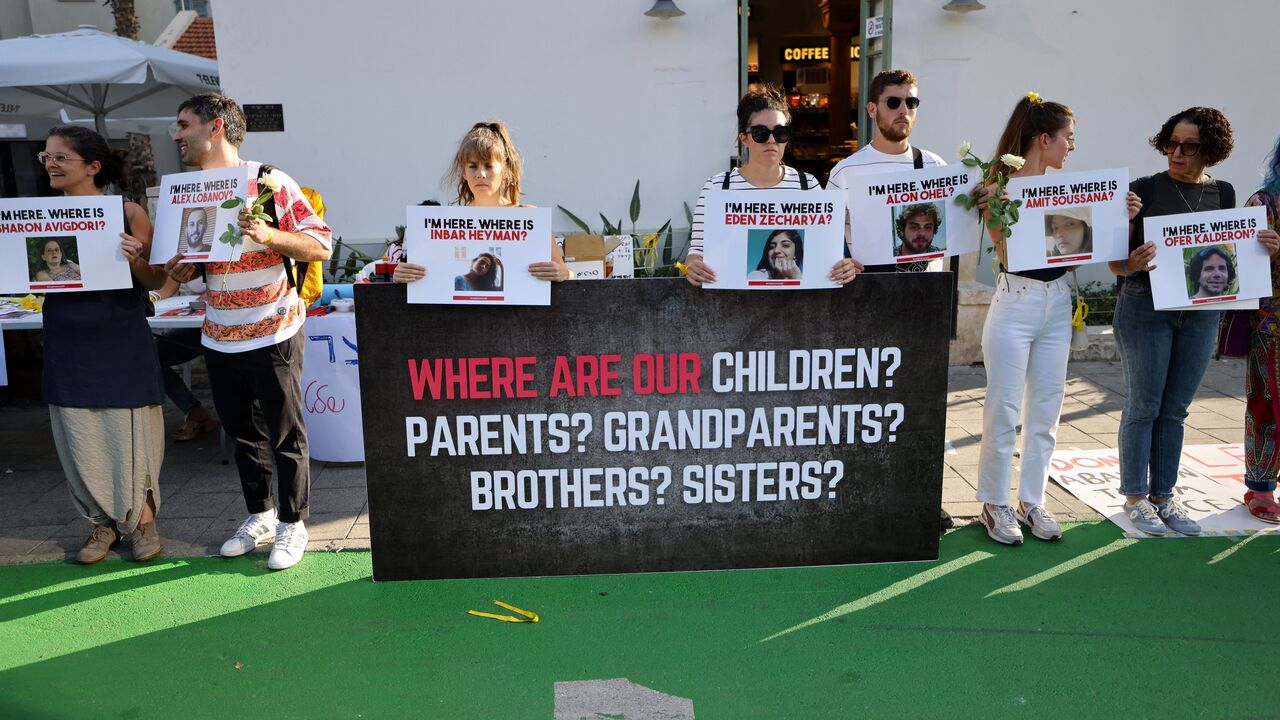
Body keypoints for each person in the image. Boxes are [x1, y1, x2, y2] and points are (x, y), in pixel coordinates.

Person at [165, 93, 332, 570]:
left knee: (284, 433)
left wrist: (270, 236)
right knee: (241, 433)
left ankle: (293, 524)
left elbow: (319, 245)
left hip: (274, 328)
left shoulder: (268, 181)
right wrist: (184, 270)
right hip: (219, 333)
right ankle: (260, 515)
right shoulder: (190, 191)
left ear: (214, 127)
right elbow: (204, 266)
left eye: (183, 124)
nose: (176, 134)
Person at [974, 93, 1128, 546]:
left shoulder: (1066, 193)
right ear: (1045, 139)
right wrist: (993, 208)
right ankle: (994, 502)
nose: (1072, 147)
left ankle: (1031, 499)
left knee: (1046, 406)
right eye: (1068, 138)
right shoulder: (997, 186)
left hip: (1057, 300)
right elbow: (1005, 253)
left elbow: (1073, 258)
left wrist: (1117, 217)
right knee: (1002, 406)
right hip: (1015, 299)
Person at [826, 69, 962, 530]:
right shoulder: (845, 172)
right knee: (868, 407)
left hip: (923, 304)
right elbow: (828, 239)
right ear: (872, 110)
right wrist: (846, 262)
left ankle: (924, 499)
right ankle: (862, 498)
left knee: (922, 409)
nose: (904, 110)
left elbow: (952, 235)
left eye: (912, 103)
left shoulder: (936, 167)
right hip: (868, 307)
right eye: (894, 102)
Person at [39, 125, 169, 564]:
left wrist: (137, 260)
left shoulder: (128, 212)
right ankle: (102, 521)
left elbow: (159, 281)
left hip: (119, 333)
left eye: (60, 157)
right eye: (46, 157)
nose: (50, 164)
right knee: (78, 430)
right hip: (66, 334)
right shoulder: (37, 217)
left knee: (130, 426)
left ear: (92, 167)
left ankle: (144, 518)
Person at [1107, 106, 1238, 536]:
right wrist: (1132, 260)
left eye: (1188, 146)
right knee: (1144, 404)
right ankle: (1135, 498)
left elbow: (1230, 260)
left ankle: (1164, 496)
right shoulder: (1142, 190)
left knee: (1176, 409)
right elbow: (1115, 267)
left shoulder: (1225, 194)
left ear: (1211, 151)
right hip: (1145, 305)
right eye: (1170, 144)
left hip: (1200, 313)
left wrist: (1264, 250)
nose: (1176, 153)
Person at [684, 85, 859, 287]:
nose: (771, 140)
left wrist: (842, 267)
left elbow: (823, 251)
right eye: (760, 133)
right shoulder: (717, 187)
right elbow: (697, 250)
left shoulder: (807, 186)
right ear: (744, 139)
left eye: (780, 132)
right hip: (733, 303)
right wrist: (694, 267)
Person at [393, 122, 571, 284]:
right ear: (463, 172)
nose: (480, 174)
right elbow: (423, 272)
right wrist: (401, 274)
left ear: (505, 170)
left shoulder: (531, 219)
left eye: (488, 166)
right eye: (473, 166)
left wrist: (562, 274)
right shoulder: (446, 222)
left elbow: (567, 272)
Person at [1240, 135, 1280, 522]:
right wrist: (1268, 252)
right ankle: (1260, 487)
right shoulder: (1263, 204)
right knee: (1266, 404)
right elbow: (1238, 269)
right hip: (1272, 325)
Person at [150, 274, 219, 442]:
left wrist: (219, 293)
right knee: (150, 356)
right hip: (197, 327)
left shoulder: (229, 247)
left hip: (234, 326)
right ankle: (195, 411)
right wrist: (152, 297)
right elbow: (172, 280)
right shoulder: (186, 250)